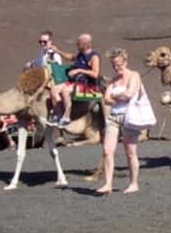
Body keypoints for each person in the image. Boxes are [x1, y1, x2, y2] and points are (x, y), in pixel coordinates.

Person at [96, 48, 142, 195]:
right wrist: (118, 97)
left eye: (119, 65)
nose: (116, 68)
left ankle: (134, 183)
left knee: (130, 152)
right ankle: (108, 184)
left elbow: (129, 94)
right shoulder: (114, 80)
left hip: (129, 116)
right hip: (114, 117)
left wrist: (115, 97)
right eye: (114, 66)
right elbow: (106, 99)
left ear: (125, 62)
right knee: (107, 151)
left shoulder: (134, 75)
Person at [49, 33, 101, 126]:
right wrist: (58, 51)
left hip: (87, 85)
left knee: (65, 91)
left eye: (78, 43)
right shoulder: (81, 54)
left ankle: (67, 117)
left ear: (85, 44)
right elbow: (71, 57)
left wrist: (79, 70)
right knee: (54, 90)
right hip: (75, 82)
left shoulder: (94, 56)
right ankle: (59, 116)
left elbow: (95, 74)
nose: (77, 45)